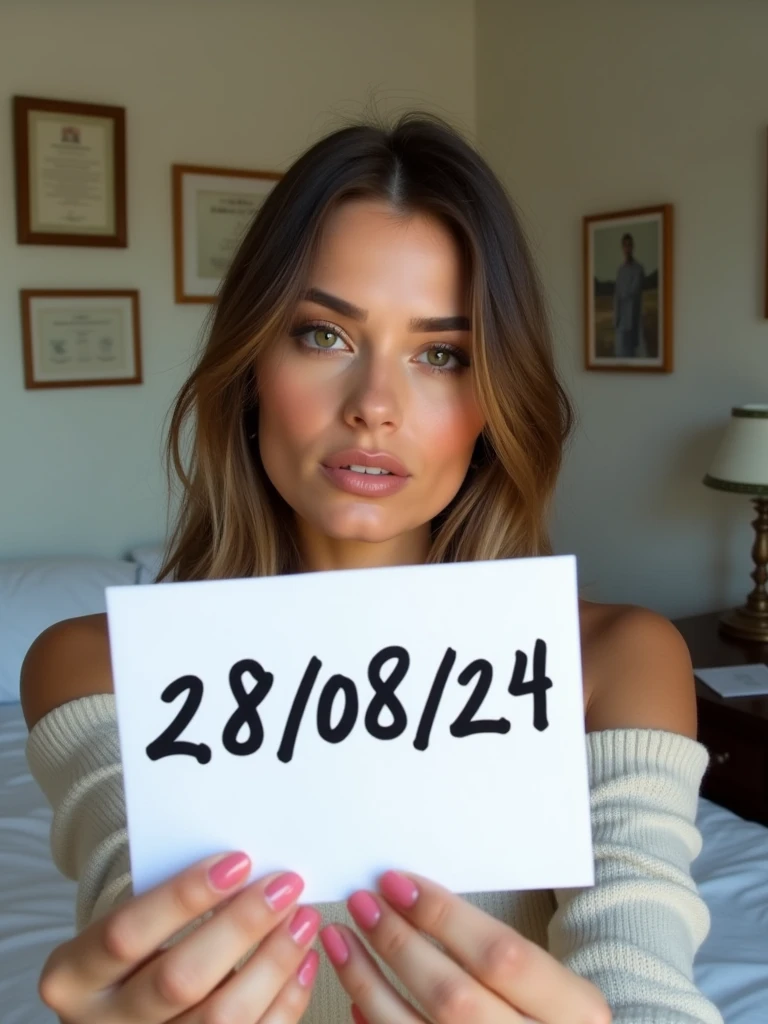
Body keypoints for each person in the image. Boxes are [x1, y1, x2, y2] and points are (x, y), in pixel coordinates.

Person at [20, 112, 722, 1024]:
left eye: (441, 355)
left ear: (492, 402)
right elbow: (138, 946)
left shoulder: (619, 661)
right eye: (324, 335)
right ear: (250, 367)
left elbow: (646, 986)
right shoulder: (94, 668)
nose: (376, 407)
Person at [613, 232, 645, 358]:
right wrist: (616, 317)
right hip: (621, 321)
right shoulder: (620, 270)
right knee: (621, 353)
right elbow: (617, 294)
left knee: (633, 353)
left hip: (634, 318)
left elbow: (633, 291)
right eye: (625, 246)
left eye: (629, 245)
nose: (627, 248)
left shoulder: (638, 269)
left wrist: (622, 295)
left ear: (633, 247)